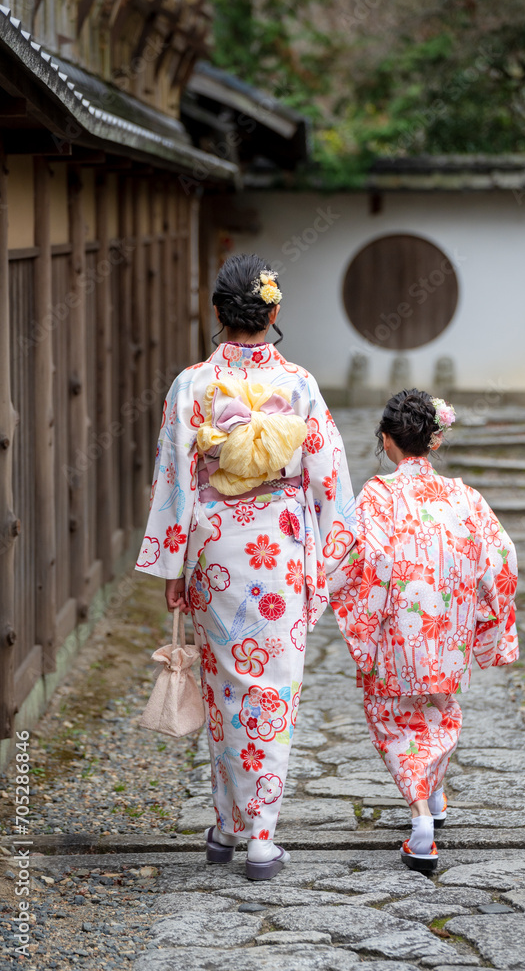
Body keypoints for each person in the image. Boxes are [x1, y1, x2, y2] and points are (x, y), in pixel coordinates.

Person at [136, 254, 356, 880]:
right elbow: (328, 476)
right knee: (272, 688)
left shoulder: (192, 386)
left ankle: (229, 824)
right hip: (278, 547)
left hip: (212, 549)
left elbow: (175, 481)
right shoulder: (299, 384)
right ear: (274, 313)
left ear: (217, 315)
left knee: (224, 683)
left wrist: (173, 566)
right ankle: (261, 836)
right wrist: (332, 557)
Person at [328, 390, 518, 872]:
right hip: (448, 633)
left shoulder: (378, 495)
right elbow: (502, 559)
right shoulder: (465, 497)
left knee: (395, 722)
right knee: (439, 708)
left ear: (388, 442)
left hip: (397, 633)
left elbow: (353, 561)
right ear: (434, 441)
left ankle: (420, 828)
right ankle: (435, 796)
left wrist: (358, 616)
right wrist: (487, 616)